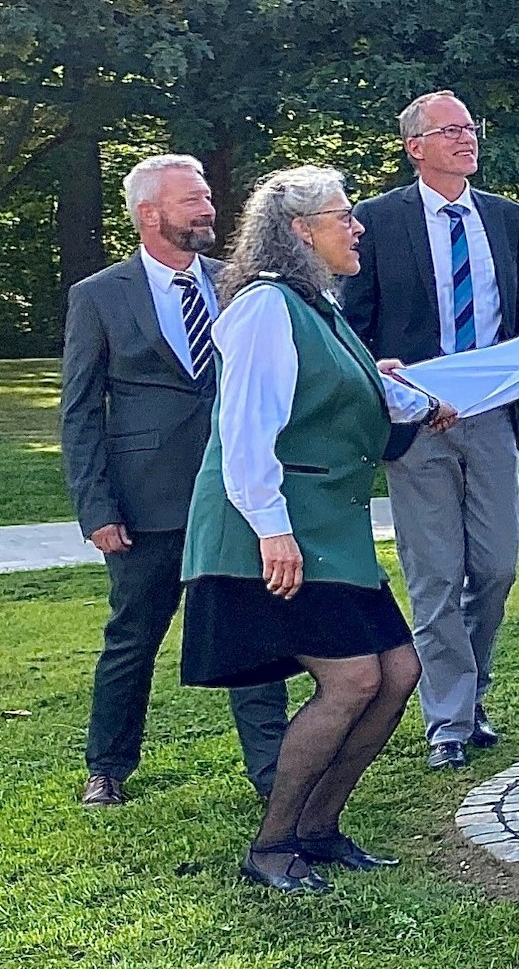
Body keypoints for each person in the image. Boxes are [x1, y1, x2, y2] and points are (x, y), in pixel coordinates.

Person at [180, 165, 456, 893]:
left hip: (333, 526)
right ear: (300, 231)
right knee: (353, 679)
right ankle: (271, 847)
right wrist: (272, 530)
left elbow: (345, 393)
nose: (357, 226)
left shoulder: (321, 308)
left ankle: (320, 829)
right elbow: (242, 431)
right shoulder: (266, 307)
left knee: (399, 672)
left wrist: (415, 401)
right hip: (278, 525)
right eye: (342, 215)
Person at [60, 154, 287, 807]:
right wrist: (96, 509)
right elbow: (79, 412)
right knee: (132, 640)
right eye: (192, 200)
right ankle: (107, 766)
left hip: (233, 492)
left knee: (252, 632)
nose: (208, 209)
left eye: (208, 197)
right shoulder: (99, 296)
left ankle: (273, 775)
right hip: (145, 504)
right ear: (149, 214)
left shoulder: (239, 285)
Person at [339, 90, 519, 770]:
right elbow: (353, 328)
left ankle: (470, 690)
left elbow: (518, 308)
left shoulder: (506, 218)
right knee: (435, 576)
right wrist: (392, 385)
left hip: (490, 417)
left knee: (495, 567)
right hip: (417, 425)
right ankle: (449, 724)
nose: (467, 139)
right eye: (450, 130)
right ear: (415, 147)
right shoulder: (376, 222)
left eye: (470, 127)